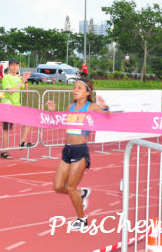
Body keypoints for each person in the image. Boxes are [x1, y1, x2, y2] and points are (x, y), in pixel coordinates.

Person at [46, 78, 110, 231]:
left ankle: (82, 220)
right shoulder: (71, 106)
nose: (75, 90)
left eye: (79, 88)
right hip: (67, 150)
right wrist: (53, 111)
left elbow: (110, 118)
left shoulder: (91, 107)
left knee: (71, 187)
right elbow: (61, 123)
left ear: (88, 92)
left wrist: (105, 107)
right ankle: (82, 193)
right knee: (58, 186)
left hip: (80, 150)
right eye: (75, 87)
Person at [0, 58, 31, 159]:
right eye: (12, 65)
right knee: (6, 129)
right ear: (9, 67)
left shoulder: (18, 78)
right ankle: (3, 151)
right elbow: (10, 91)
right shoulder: (6, 78)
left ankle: (22, 142)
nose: (14, 67)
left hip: (17, 106)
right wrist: (21, 82)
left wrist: (26, 80)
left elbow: (26, 91)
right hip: (7, 106)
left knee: (28, 122)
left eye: (16, 65)